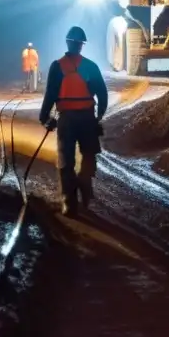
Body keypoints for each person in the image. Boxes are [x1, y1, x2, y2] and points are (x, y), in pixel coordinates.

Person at [39, 25, 108, 216]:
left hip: (66, 120)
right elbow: (102, 94)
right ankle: (85, 183)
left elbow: (51, 94)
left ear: (68, 43)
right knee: (88, 154)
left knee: (66, 161)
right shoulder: (90, 66)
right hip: (87, 117)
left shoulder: (57, 66)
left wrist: (44, 117)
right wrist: (99, 117)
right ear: (81, 45)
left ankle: (69, 203)